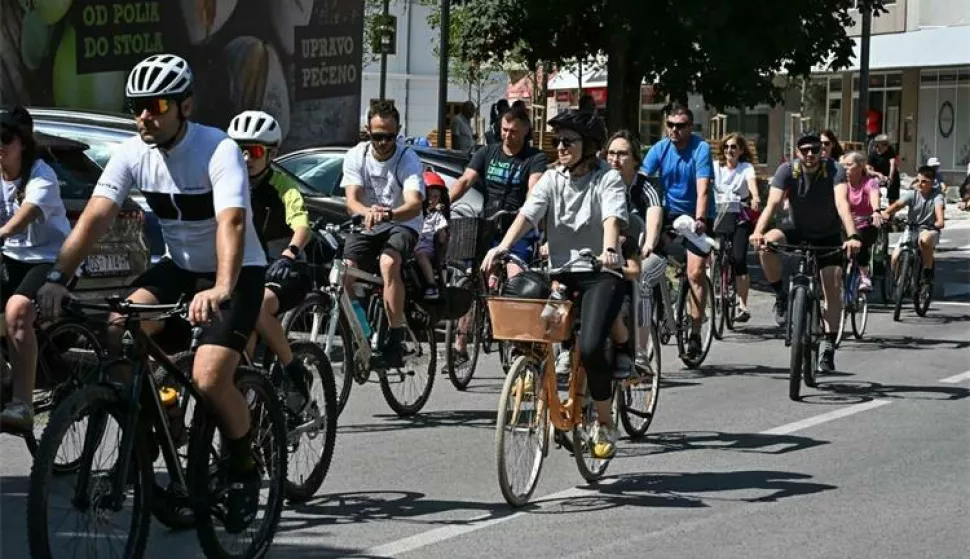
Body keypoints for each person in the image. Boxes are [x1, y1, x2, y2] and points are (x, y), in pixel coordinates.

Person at [35, 54, 266, 533]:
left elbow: (232, 221)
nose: (145, 115)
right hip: (178, 268)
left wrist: (223, 286)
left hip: (235, 271)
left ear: (184, 105)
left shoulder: (217, 149)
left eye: (156, 105)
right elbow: (97, 217)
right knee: (119, 326)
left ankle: (245, 469)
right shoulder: (131, 153)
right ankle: (153, 425)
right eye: (137, 106)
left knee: (207, 379)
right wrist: (57, 277)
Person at [482, 108, 626, 459]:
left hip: (599, 274)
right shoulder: (552, 178)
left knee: (591, 347)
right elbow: (528, 214)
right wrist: (502, 247)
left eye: (568, 141)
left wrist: (609, 250)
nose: (560, 147)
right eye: (557, 140)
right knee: (534, 328)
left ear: (588, 145)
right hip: (561, 272)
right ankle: (540, 385)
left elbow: (611, 218)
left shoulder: (607, 179)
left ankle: (605, 422)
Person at [749, 132, 861, 374]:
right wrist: (758, 231)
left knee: (830, 283)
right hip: (797, 229)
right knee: (767, 245)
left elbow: (843, 203)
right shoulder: (787, 170)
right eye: (805, 150)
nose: (810, 154)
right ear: (797, 152)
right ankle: (780, 295)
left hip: (828, 235)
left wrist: (852, 236)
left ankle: (829, 344)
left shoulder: (834, 169)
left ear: (822, 151)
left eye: (815, 149)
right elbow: (773, 204)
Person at [226, 109, 315, 415]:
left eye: (255, 151)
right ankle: (245, 389)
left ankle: (293, 370)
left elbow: (302, 224)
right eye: (239, 150)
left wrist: (290, 252)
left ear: (271, 153)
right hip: (244, 271)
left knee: (257, 305)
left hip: (285, 270)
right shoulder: (226, 183)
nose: (246, 158)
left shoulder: (282, 186)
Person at [448, 104, 548, 362]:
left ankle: (518, 344)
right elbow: (464, 181)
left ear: (526, 131)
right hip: (489, 224)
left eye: (514, 131)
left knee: (517, 279)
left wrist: (530, 211)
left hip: (518, 227)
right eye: (504, 129)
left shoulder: (534, 158)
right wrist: (441, 204)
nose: (507, 136)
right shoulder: (487, 152)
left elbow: (534, 188)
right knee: (470, 277)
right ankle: (460, 345)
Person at [0, 106, 72, 430]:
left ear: (23, 144)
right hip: (12, 256)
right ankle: (3, 375)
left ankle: (23, 404)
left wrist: (2, 232)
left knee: (17, 310)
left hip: (50, 259)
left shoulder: (42, 175)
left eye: (5, 138)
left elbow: (24, 215)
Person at [341, 100, 425, 368]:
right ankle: (364, 332)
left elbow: (414, 204)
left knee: (388, 263)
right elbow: (351, 200)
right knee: (345, 273)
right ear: (368, 130)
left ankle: (395, 337)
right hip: (369, 222)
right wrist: (366, 212)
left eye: (390, 136)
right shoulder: (356, 155)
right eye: (378, 136)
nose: (384, 142)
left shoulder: (407, 158)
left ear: (398, 131)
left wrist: (388, 214)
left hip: (404, 222)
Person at [640, 104, 714, 358]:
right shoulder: (660, 148)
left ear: (690, 127)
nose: (674, 130)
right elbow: (641, 178)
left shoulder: (701, 149)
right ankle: (662, 304)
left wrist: (701, 217)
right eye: (670, 125)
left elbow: (703, 188)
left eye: (680, 126)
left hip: (696, 216)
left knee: (695, 273)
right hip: (669, 214)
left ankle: (694, 333)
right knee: (652, 258)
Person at [605, 131, 665, 366]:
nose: (615, 159)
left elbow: (654, 217)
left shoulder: (645, 187)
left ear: (635, 160)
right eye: (610, 153)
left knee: (644, 279)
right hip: (612, 256)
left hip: (646, 254)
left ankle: (640, 352)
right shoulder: (600, 184)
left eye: (622, 154)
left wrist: (649, 243)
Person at [712, 133, 761, 322]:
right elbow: (705, 183)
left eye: (734, 147)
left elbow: (752, 185)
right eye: (726, 147)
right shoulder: (715, 167)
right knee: (710, 251)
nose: (729, 151)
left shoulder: (745, 168)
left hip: (738, 214)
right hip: (717, 215)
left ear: (741, 150)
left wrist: (755, 197)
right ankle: (713, 283)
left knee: (739, 258)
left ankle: (742, 305)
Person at [881, 165, 945, 282]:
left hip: (929, 229)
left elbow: (939, 213)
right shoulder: (913, 194)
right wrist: (886, 213)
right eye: (918, 180)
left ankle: (927, 270)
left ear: (932, 183)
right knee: (894, 257)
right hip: (911, 228)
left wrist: (939, 223)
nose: (920, 184)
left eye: (924, 182)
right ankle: (898, 283)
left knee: (924, 241)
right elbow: (898, 205)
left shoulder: (937, 196)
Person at [842, 151, 883, 291]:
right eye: (843, 166)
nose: (845, 169)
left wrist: (876, 210)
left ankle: (865, 276)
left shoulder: (869, 182)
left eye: (849, 165)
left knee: (859, 240)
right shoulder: (841, 184)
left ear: (860, 166)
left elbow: (874, 195)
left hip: (865, 225)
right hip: (845, 226)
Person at [415, 171, 450, 299]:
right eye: (429, 196)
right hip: (412, 241)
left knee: (421, 256)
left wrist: (441, 234)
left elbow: (442, 236)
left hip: (426, 245)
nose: (431, 200)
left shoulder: (437, 215)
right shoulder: (416, 211)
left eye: (435, 197)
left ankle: (431, 285)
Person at [867, 134, 900, 202]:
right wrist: (877, 174)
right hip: (877, 175)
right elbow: (867, 169)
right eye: (884, 144)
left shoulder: (890, 151)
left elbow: (892, 164)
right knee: (872, 183)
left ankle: (891, 209)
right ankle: (875, 202)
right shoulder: (873, 154)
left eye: (887, 145)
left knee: (893, 190)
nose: (887, 146)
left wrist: (890, 177)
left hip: (890, 174)